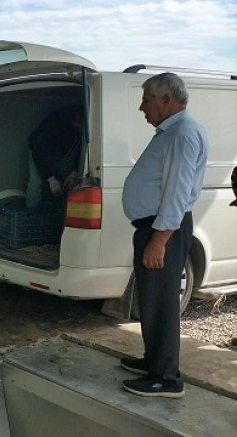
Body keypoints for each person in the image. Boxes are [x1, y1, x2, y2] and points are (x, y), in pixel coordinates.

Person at [121, 72, 208, 399]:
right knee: (152, 299)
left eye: (146, 99)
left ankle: (166, 378)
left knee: (161, 303)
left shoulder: (182, 134)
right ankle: (154, 362)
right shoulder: (173, 132)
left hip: (163, 228)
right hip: (156, 226)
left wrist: (159, 240)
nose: (142, 107)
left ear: (166, 99)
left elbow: (176, 192)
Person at [26, 105, 84, 208]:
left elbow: (82, 149)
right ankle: (31, 214)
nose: (78, 128)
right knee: (35, 183)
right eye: (77, 125)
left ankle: (61, 213)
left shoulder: (81, 128)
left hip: (62, 153)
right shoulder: (53, 125)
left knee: (66, 184)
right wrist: (52, 181)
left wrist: (74, 172)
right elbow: (39, 153)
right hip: (38, 150)